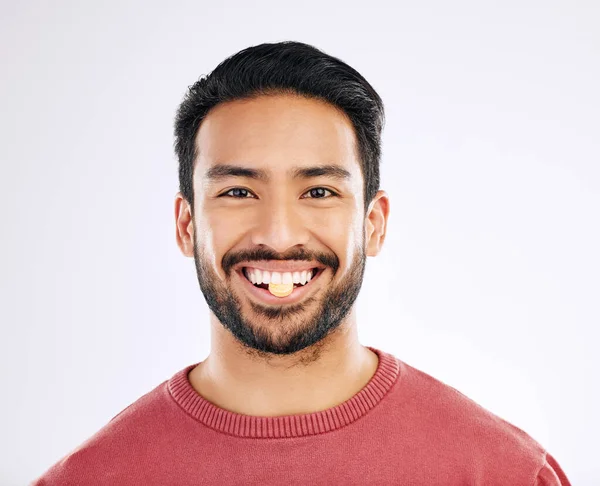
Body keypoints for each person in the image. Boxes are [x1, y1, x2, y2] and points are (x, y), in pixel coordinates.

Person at [32, 40, 571, 485]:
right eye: (239, 192)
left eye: (317, 192)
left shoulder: (505, 474)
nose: (279, 234)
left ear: (374, 223)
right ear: (186, 225)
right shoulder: (87, 479)